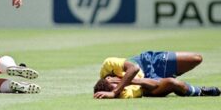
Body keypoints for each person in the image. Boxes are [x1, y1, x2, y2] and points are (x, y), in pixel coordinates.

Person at [93, 51, 221, 99]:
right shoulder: (124, 93)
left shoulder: (108, 65)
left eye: (115, 85)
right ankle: (199, 91)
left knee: (196, 58)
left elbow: (134, 68)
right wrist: (129, 82)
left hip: (148, 61)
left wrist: (115, 91)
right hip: (150, 84)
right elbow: (154, 85)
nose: (120, 87)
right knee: (172, 83)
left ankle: (173, 70)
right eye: (117, 89)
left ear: (108, 77)